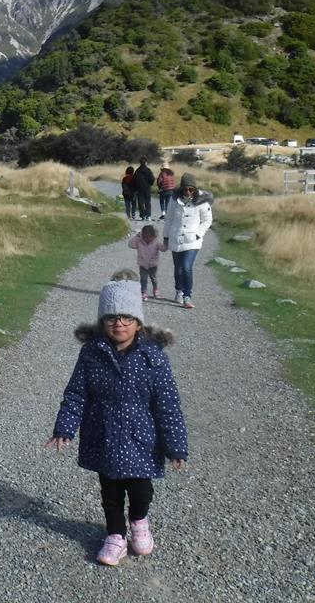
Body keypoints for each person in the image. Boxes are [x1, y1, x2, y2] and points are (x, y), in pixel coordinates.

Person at [46, 279, 188, 566]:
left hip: (141, 441)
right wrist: (64, 428)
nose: (119, 323)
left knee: (140, 490)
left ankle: (139, 522)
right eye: (111, 317)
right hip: (104, 436)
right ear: (102, 321)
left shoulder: (153, 358)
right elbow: (76, 393)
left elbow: (168, 405)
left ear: (138, 322)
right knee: (110, 492)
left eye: (126, 317)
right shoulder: (91, 353)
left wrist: (176, 447)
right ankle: (115, 535)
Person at [162, 173, 213, 309]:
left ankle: (187, 296)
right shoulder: (174, 199)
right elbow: (169, 220)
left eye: (191, 189)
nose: (188, 192)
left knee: (186, 267)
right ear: (181, 188)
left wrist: (198, 234)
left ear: (195, 189)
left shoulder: (202, 201)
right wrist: (165, 238)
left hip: (192, 240)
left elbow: (207, 220)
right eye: (185, 189)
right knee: (178, 269)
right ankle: (179, 290)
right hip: (175, 237)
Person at [128, 225, 164, 300]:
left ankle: (155, 289)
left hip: (153, 264)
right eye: (145, 237)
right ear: (142, 235)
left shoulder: (156, 242)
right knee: (143, 279)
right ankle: (144, 292)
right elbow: (131, 245)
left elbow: (163, 249)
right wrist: (136, 237)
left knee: (153, 278)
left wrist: (167, 242)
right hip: (142, 264)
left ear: (154, 236)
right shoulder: (139, 241)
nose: (147, 239)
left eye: (149, 237)